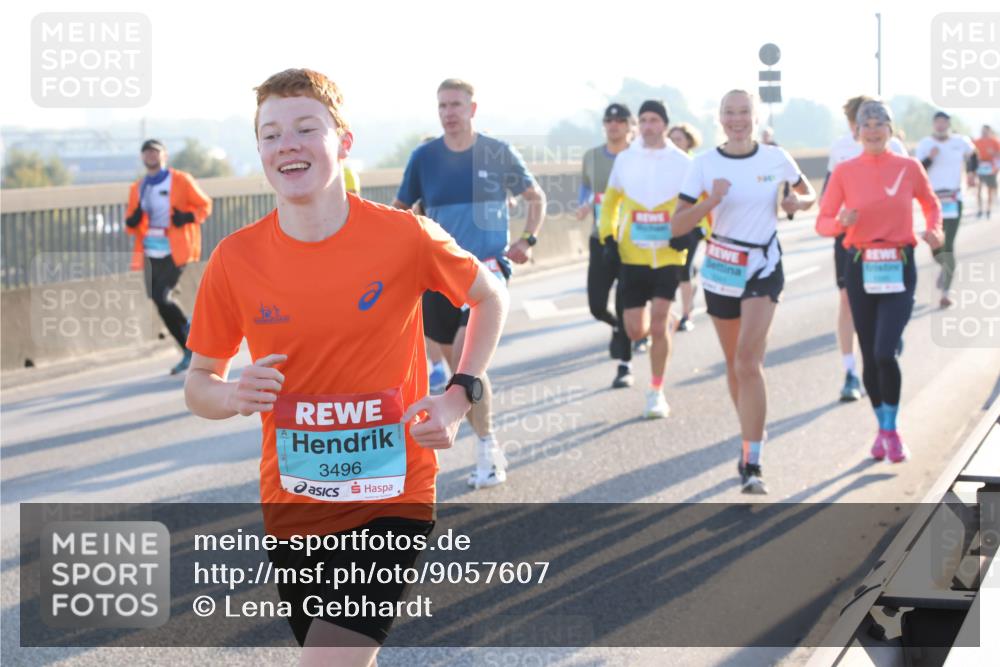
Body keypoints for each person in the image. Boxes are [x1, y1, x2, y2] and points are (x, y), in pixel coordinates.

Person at [184, 68, 507, 664]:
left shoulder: (404, 236)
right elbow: (199, 384)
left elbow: (490, 296)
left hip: (393, 492)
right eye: (272, 134)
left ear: (343, 141)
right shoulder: (235, 259)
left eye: (307, 128)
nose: (289, 145)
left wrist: (459, 395)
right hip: (293, 501)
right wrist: (231, 394)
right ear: (260, 150)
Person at [392, 78, 546, 488]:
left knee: (465, 361)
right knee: (454, 365)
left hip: (488, 270)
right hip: (440, 275)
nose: (449, 112)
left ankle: (487, 448)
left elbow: (536, 198)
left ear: (473, 109)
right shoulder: (423, 157)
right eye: (442, 105)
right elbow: (400, 211)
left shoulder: (496, 152)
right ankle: (478, 435)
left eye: (456, 105)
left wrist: (527, 240)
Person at [672, 90, 816, 493]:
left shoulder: (776, 157)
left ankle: (752, 461)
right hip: (721, 267)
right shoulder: (703, 164)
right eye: (729, 113)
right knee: (735, 363)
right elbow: (677, 225)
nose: (737, 119)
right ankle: (750, 432)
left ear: (754, 116)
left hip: (763, 266)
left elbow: (807, 193)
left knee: (749, 361)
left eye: (744, 112)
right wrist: (712, 200)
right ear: (719, 118)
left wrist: (797, 202)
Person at [816, 100, 943, 464]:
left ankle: (892, 429)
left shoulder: (908, 166)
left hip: (899, 263)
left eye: (879, 123)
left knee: (886, 351)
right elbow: (823, 223)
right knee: (871, 354)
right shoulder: (844, 171)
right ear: (856, 131)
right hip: (860, 266)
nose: (872, 129)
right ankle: (884, 428)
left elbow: (931, 204)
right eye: (865, 124)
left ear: (890, 129)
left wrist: (934, 231)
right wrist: (842, 221)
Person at [599, 100, 708, 419]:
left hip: (671, 254)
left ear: (664, 124)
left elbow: (703, 206)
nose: (648, 126)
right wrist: (607, 236)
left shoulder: (684, 162)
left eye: (654, 120)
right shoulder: (625, 159)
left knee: (658, 324)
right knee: (635, 331)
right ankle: (666, 323)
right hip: (632, 255)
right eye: (643, 120)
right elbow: (610, 204)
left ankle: (656, 391)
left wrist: (693, 233)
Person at [825, 95, 909, 402]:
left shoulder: (895, 148)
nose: (864, 130)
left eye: (875, 122)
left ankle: (888, 338)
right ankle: (850, 372)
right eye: (857, 122)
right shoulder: (839, 149)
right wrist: (838, 220)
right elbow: (828, 199)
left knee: (887, 304)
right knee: (846, 302)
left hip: (887, 244)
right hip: (850, 238)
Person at [124, 139, 212, 375]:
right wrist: (132, 221)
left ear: (164, 155)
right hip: (150, 249)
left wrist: (186, 217)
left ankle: (189, 331)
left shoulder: (181, 180)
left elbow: (205, 206)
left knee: (163, 296)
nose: (151, 156)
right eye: (146, 153)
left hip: (176, 248)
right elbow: (132, 222)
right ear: (142, 158)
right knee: (156, 298)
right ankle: (187, 349)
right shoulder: (138, 187)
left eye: (155, 152)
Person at [576, 102, 635, 388]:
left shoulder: (639, 157)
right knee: (596, 306)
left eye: (620, 120)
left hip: (631, 242)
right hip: (600, 239)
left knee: (625, 303)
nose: (614, 125)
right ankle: (616, 326)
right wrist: (583, 204)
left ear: (629, 125)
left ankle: (625, 365)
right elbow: (587, 187)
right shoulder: (591, 156)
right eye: (609, 121)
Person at [915, 111, 977, 309]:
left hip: (953, 198)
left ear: (948, 124)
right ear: (934, 124)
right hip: (933, 202)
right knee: (935, 245)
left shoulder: (960, 142)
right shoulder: (925, 144)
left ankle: (946, 293)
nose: (941, 126)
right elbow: (918, 170)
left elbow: (973, 155)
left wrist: (971, 173)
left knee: (948, 244)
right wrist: (930, 158)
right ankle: (945, 267)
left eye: (944, 122)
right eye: (938, 122)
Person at [668, 122, 704, 332]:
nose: (674, 144)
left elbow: (705, 198)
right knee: (673, 272)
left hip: (691, 226)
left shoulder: (695, 166)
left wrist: (704, 227)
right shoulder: (661, 166)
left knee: (683, 270)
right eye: (670, 140)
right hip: (667, 227)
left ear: (689, 142)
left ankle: (686, 315)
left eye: (678, 140)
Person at [973, 125, 1000, 219]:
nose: (984, 133)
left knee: (989, 190)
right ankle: (980, 210)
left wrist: (993, 153)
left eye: (986, 131)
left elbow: (999, 154)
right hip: (980, 167)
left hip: (990, 167)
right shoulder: (977, 141)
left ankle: (988, 210)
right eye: (982, 131)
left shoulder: (995, 141)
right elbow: (971, 153)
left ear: (989, 132)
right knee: (979, 189)